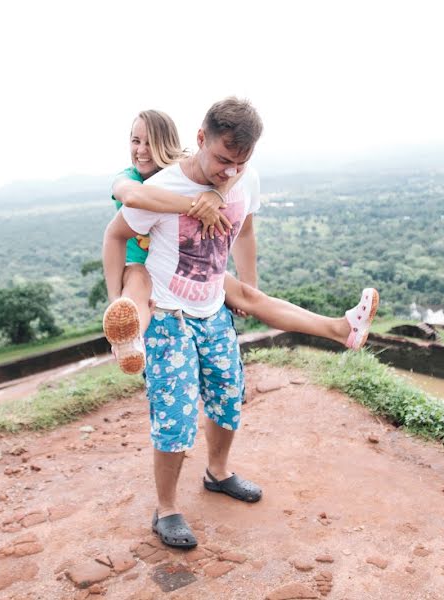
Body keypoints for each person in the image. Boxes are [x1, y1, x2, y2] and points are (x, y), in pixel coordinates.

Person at [102, 98, 378, 549]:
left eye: (240, 162)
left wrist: (248, 284)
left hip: (213, 310)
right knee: (175, 417)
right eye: (222, 160)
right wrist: (118, 297)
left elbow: (244, 229)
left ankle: (218, 472)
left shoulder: (245, 180)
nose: (230, 172)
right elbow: (115, 235)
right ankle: (167, 508)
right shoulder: (166, 187)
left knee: (229, 397)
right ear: (200, 140)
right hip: (169, 318)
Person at [102, 109, 379, 376]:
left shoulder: (194, 169)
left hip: (188, 270)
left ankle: (342, 329)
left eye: (151, 143)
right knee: (136, 286)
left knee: (251, 296)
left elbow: (238, 168)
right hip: (142, 266)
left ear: (167, 143)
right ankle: (128, 342)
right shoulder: (130, 178)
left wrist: (218, 194)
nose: (141, 150)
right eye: (135, 141)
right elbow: (134, 198)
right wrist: (198, 206)